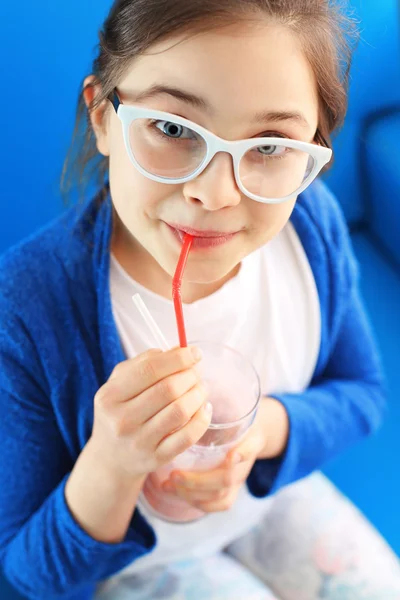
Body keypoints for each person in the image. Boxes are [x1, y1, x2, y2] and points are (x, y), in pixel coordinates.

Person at [0, 0, 399, 598]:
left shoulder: (312, 228)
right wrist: (114, 462)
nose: (213, 194)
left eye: (269, 146)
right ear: (103, 118)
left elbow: (364, 395)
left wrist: (259, 435)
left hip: (271, 499)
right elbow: (30, 574)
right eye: (173, 129)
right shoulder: (28, 309)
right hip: (143, 562)